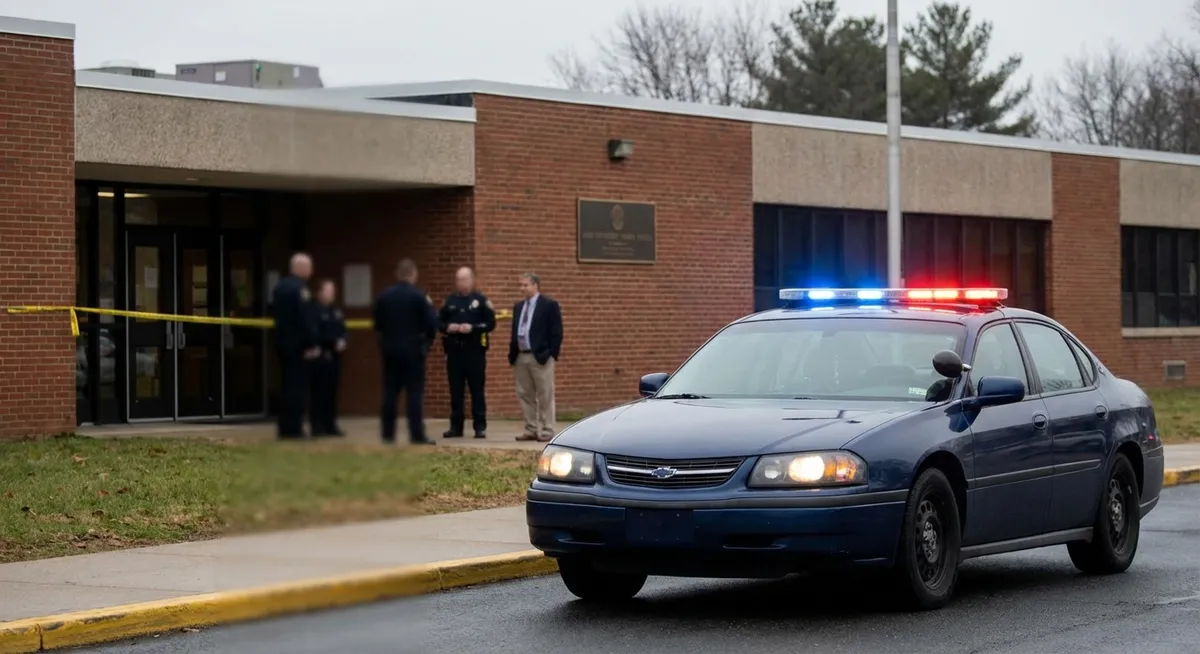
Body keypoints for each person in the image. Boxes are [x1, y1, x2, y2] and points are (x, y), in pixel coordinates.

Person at [373, 258, 438, 445]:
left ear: (397, 274)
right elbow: (431, 324)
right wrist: (426, 344)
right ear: (413, 274)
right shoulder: (419, 297)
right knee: (414, 393)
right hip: (413, 351)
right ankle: (416, 434)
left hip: (390, 350)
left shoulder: (384, 296)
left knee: (390, 393)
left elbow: (378, 323)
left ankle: (387, 434)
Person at [439, 266, 497, 439]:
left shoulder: (480, 300)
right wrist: (448, 327)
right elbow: (439, 322)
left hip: (475, 352)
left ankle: (480, 426)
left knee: (476, 390)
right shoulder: (450, 301)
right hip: (455, 352)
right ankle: (456, 427)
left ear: (472, 280)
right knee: (456, 391)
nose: (461, 283)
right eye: (458, 279)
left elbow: (491, 323)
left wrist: (473, 328)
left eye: (464, 279)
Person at [508, 272, 563, 442]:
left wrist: (551, 353)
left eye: (525, 285)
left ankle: (547, 429)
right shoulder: (518, 307)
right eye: (521, 285)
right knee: (525, 394)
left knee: (545, 393)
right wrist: (513, 354)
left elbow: (556, 332)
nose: (522, 288)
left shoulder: (548, 305)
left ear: (535, 285)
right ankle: (530, 429)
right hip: (521, 356)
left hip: (540, 357)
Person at [271, 253, 320, 440]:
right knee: (297, 388)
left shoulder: (280, 287)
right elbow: (304, 319)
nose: (310, 271)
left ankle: (285, 427)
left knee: (285, 386)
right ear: (299, 268)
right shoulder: (300, 289)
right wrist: (311, 343)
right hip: (299, 347)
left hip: (282, 344)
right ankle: (294, 429)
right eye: (308, 267)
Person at [311, 279, 348, 437]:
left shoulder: (336, 311)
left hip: (335, 357)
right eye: (328, 290)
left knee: (332, 393)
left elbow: (343, 329)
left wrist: (344, 340)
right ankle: (317, 426)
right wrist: (334, 341)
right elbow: (316, 333)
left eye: (332, 291)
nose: (331, 294)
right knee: (319, 393)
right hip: (320, 357)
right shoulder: (314, 311)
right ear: (319, 292)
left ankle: (330, 424)